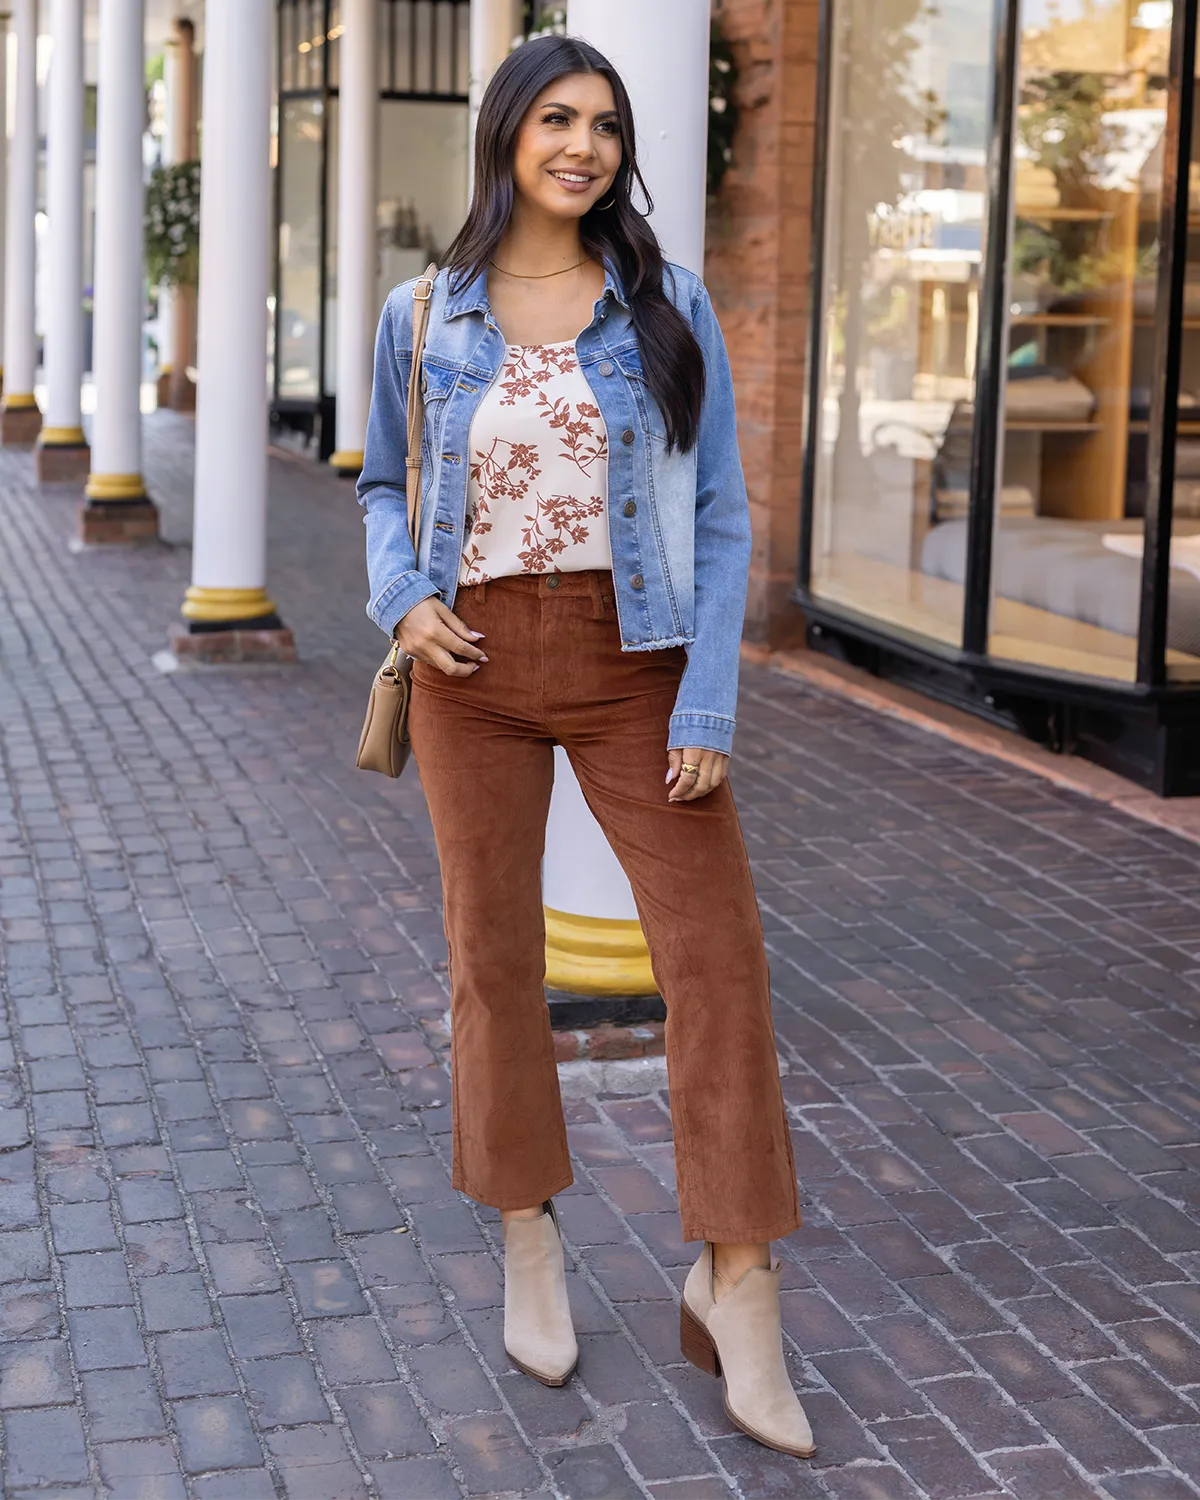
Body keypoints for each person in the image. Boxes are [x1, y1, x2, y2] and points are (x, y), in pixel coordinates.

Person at [358, 35, 813, 1459]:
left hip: (637, 663)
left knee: (716, 959)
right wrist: (405, 600)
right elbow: (382, 481)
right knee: (493, 957)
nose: (584, 144)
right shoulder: (422, 312)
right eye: (556, 118)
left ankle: (739, 1282)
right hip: (473, 668)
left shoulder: (666, 303)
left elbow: (724, 513)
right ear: (505, 133)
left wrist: (710, 705)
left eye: (604, 124)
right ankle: (527, 1235)